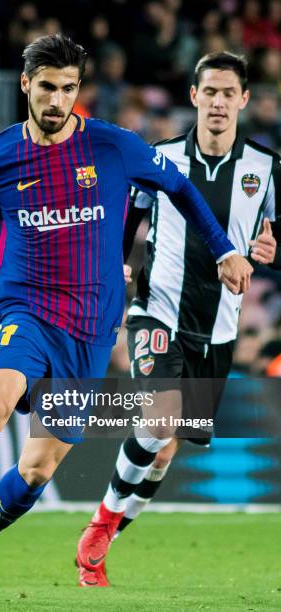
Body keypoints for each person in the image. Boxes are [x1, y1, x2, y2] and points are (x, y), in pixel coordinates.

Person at [0, 36, 252, 587]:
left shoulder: (113, 146)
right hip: (25, 310)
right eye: (48, 88)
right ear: (26, 84)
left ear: (78, 89)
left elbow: (179, 187)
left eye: (69, 88)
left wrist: (224, 248)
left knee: (37, 468)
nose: (58, 100)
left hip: (90, 330)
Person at [76, 51, 280, 587]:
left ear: (243, 100)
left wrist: (271, 247)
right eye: (208, 91)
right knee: (161, 416)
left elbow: (272, 238)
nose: (217, 102)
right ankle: (99, 524)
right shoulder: (160, 157)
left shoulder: (266, 167)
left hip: (218, 329)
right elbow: (130, 217)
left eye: (226, 93)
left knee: (164, 451)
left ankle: (105, 540)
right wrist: (116, 264)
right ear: (194, 96)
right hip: (156, 309)